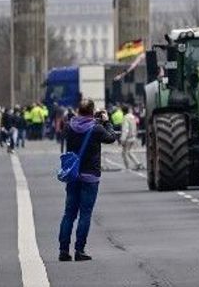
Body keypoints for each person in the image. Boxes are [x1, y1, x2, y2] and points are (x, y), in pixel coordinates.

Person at [58, 100, 119, 262]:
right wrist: (106, 121)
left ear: (78, 110)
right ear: (92, 112)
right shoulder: (96, 128)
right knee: (85, 214)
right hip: (90, 176)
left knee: (69, 213)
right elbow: (111, 138)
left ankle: (63, 250)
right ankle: (80, 250)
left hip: (73, 174)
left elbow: (63, 133)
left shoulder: (69, 126)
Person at [118, 106, 143, 171]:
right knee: (129, 152)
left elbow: (125, 129)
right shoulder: (132, 117)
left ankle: (127, 167)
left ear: (123, 111)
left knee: (124, 153)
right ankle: (138, 163)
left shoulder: (125, 118)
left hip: (127, 138)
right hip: (133, 137)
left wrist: (122, 139)